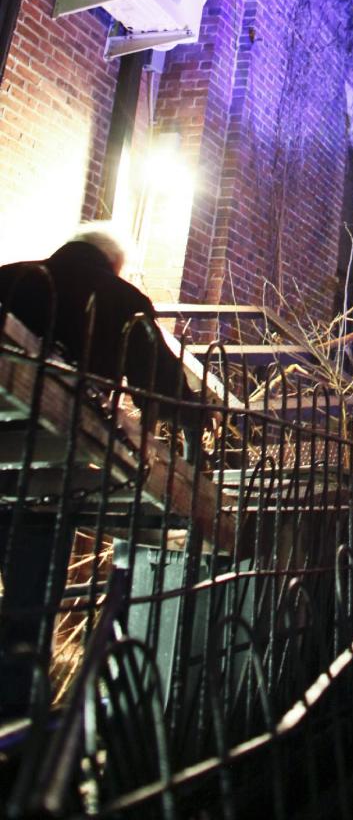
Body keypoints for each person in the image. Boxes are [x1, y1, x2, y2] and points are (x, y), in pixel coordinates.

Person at [0, 224, 186, 715]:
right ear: (113, 263)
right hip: (47, 471)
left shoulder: (13, 278)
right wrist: (174, 430)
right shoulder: (120, 298)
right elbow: (163, 387)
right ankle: (17, 736)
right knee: (29, 607)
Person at [0, 223, 185, 412]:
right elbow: (158, 380)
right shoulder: (125, 298)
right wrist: (193, 413)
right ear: (113, 261)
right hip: (72, 417)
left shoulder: (8, 275)